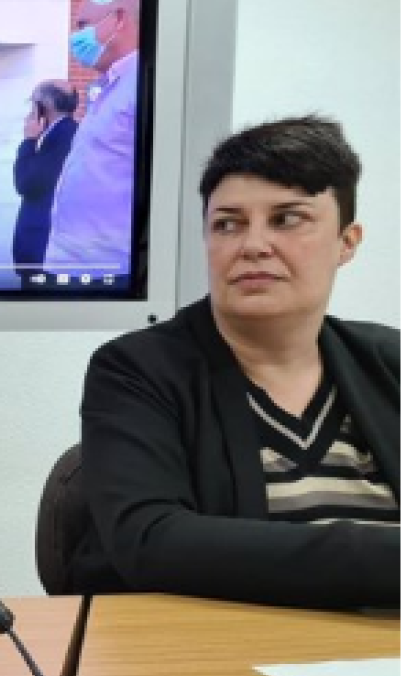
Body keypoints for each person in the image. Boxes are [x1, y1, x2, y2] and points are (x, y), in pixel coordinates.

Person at [71, 116, 399, 609]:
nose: (253, 246)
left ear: (346, 242)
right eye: (228, 224)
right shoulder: (136, 369)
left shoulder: (390, 363)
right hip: (226, 641)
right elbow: (151, 540)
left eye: (287, 219)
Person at [45, 0, 140, 284]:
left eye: (83, 25)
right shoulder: (108, 87)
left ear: (119, 19)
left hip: (109, 270)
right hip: (74, 263)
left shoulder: (142, 87)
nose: (76, 38)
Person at [13, 80, 79, 284]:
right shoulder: (61, 133)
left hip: (44, 247)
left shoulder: (65, 135)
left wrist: (28, 140)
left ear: (43, 106)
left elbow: (26, 183)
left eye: (33, 103)